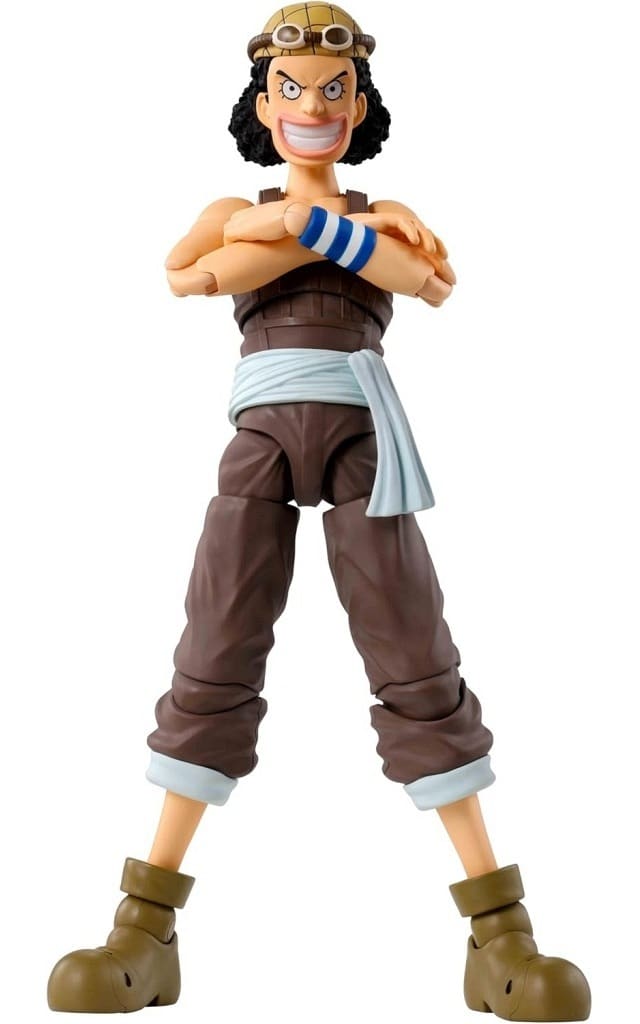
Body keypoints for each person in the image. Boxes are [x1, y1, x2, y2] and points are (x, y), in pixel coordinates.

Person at [47, 6, 591, 1020]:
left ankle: (499, 935)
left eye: (333, 89)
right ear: (262, 105)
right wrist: (308, 231)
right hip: (259, 439)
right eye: (291, 88)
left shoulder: (386, 213)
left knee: (412, 649)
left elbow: (426, 282)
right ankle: (144, 927)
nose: (312, 105)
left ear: (360, 104)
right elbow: (190, 274)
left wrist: (300, 231)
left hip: (362, 441)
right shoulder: (234, 206)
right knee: (215, 646)